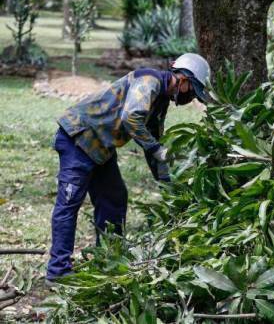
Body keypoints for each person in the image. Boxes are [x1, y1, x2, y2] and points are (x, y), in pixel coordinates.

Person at [46, 53, 211, 282]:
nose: (191, 97)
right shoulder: (149, 81)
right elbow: (131, 118)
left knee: (114, 199)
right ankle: (58, 272)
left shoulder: (160, 100)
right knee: (69, 203)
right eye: (192, 91)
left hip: (100, 149)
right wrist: (155, 148)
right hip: (78, 138)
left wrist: (169, 186)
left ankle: (107, 260)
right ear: (183, 79)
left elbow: (152, 143)